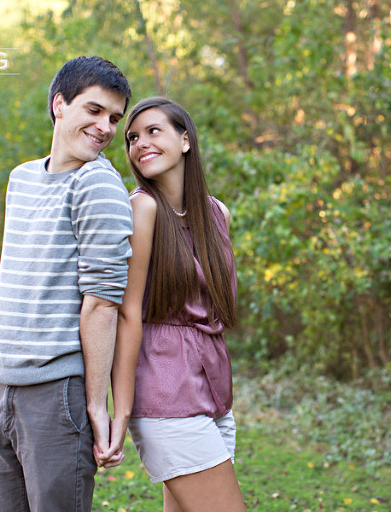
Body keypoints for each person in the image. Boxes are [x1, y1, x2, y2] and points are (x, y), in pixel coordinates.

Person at [0, 56, 135, 511]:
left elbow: (102, 303)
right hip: (2, 386)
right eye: (94, 110)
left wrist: (95, 405)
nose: (105, 127)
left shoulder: (98, 185)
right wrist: (1, 361)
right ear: (59, 105)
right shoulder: (21, 178)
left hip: (56, 394)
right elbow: (18, 276)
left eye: (113, 118)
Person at [116, 97, 246, 512]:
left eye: (154, 131)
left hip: (213, 391)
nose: (140, 144)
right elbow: (127, 313)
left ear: (185, 140)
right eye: (132, 138)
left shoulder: (217, 214)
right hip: (165, 392)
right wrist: (120, 412)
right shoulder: (143, 208)